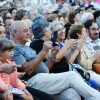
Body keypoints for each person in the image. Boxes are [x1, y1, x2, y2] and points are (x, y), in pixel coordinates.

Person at [10, 20, 100, 100]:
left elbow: (46, 68)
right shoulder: (14, 48)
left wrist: (52, 56)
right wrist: (43, 52)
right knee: (71, 76)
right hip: (31, 81)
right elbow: (27, 71)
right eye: (25, 31)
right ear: (15, 32)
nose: (29, 33)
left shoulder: (27, 47)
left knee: (71, 93)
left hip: (44, 77)